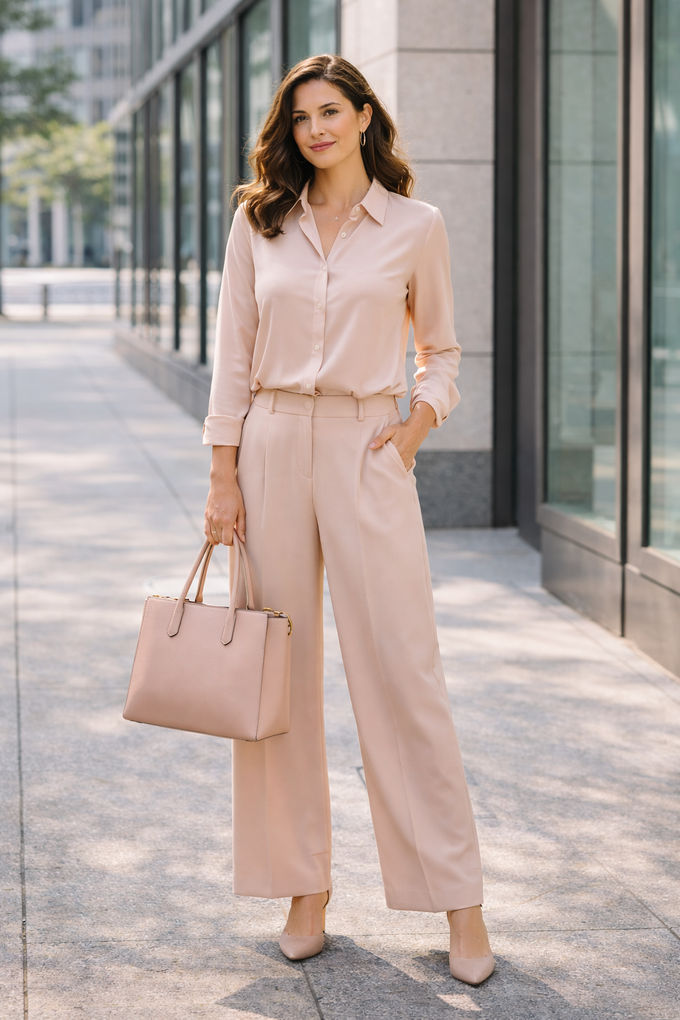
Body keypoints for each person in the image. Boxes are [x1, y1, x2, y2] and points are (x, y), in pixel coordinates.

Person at [202, 53, 495, 986]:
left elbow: (442, 350)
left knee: (402, 673)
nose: (316, 129)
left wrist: (412, 427)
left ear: (365, 116)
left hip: (369, 449)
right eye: (300, 119)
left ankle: (460, 901)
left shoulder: (416, 225)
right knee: (277, 676)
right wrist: (222, 477)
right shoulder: (262, 221)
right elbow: (232, 358)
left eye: (331, 111)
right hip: (272, 443)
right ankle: (304, 887)